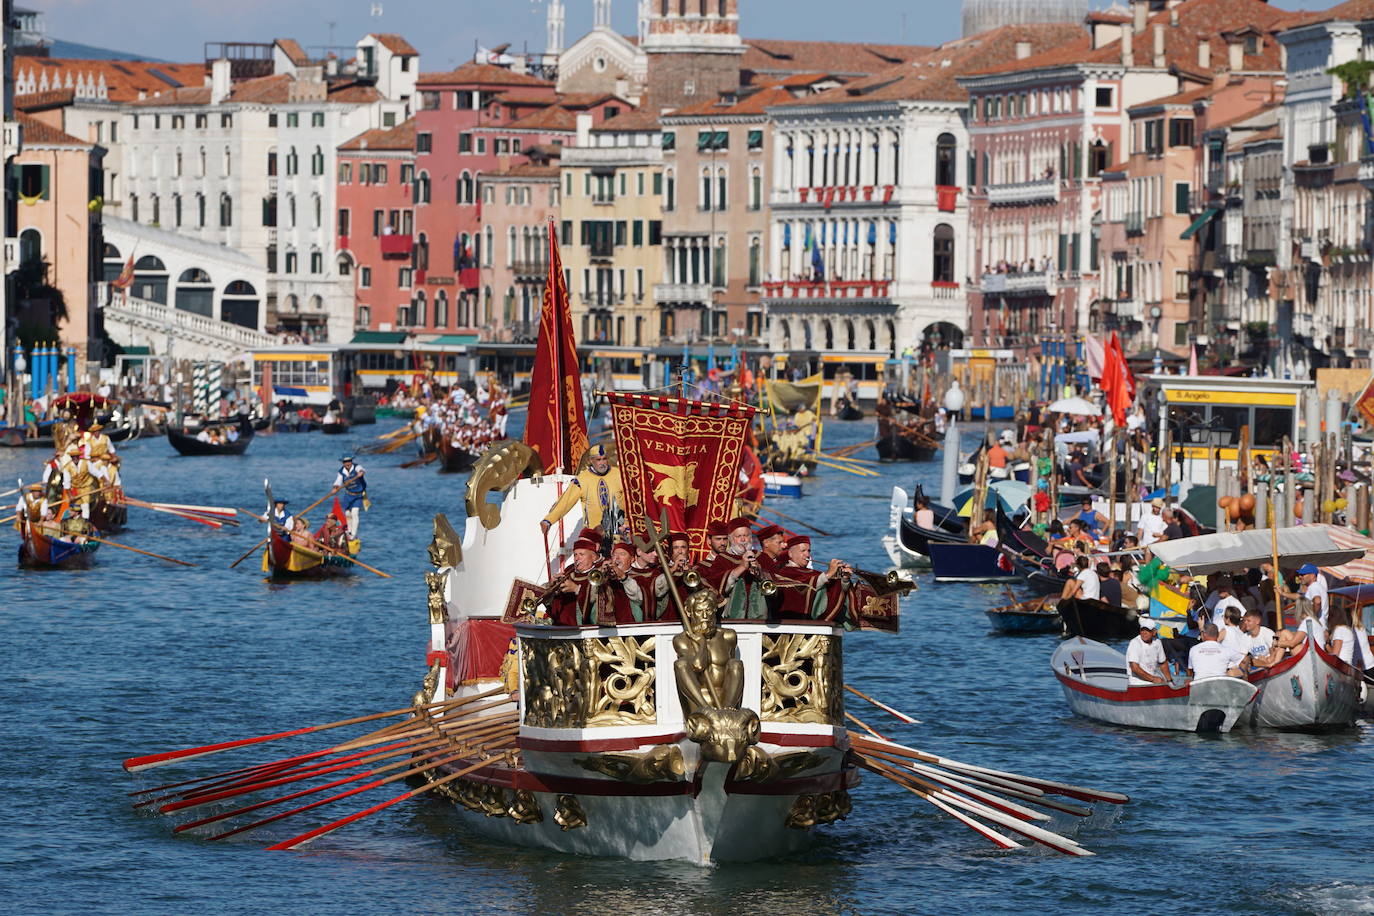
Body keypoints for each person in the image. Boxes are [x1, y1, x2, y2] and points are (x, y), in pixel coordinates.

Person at [540, 444, 624, 540]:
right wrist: (548, 520)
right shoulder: (582, 479)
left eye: (604, 459)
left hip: (619, 533)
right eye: (598, 460)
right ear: (591, 461)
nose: (602, 463)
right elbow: (566, 502)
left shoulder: (618, 474)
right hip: (594, 535)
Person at [329, 455, 369, 538]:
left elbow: (362, 470)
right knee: (347, 514)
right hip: (348, 494)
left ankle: (353, 534)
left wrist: (361, 473)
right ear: (343, 463)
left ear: (351, 461)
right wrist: (335, 488)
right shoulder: (341, 472)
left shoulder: (357, 467)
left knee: (354, 513)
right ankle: (349, 531)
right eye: (345, 462)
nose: (347, 463)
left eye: (349, 461)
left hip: (358, 495)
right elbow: (338, 481)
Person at [1126, 619, 1170, 686]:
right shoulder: (1134, 643)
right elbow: (1134, 668)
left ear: (1154, 632)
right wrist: (1153, 679)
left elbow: (1163, 664)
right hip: (1137, 682)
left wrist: (1170, 681)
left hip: (1153, 680)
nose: (1144, 633)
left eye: (1148, 630)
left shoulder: (1157, 642)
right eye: (1142, 630)